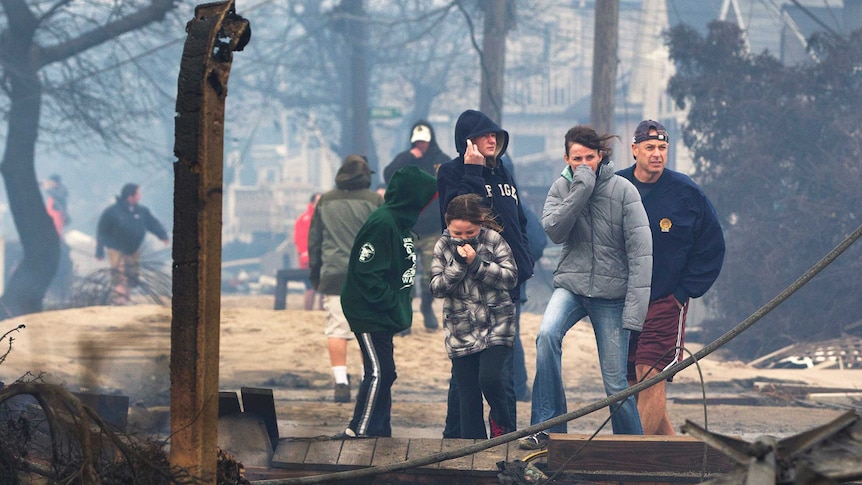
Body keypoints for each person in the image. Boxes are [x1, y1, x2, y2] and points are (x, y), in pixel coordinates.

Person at [519, 125, 652, 450]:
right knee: (546, 336)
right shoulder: (562, 187)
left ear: (600, 156)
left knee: (614, 380)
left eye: (589, 158)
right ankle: (548, 428)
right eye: (576, 158)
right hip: (572, 285)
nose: (583, 164)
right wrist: (580, 188)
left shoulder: (624, 190)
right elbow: (554, 231)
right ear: (566, 158)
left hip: (612, 294)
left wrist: (634, 314)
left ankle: (631, 445)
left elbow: (641, 252)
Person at [618, 119, 726, 435]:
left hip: (666, 301)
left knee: (651, 376)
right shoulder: (616, 188)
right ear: (634, 149)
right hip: (622, 303)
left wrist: (683, 292)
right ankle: (672, 464)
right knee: (630, 383)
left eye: (662, 148)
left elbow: (712, 246)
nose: (657, 154)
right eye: (650, 147)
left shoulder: (687, 193)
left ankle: (627, 467)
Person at [436, 109, 534, 437]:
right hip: (466, 286)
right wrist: (473, 171)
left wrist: (524, 262)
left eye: (496, 135)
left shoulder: (504, 170)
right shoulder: (451, 171)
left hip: (504, 283)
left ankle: (504, 434)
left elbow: (517, 219)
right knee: (465, 369)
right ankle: (458, 438)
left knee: (497, 370)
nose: (493, 139)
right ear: (467, 142)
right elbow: (457, 216)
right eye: (484, 135)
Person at [332, 165, 437, 438]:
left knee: (385, 372)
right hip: (368, 310)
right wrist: (392, 302)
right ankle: (359, 430)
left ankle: (380, 430)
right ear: (411, 197)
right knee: (380, 372)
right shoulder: (383, 223)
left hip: (384, 313)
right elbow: (366, 273)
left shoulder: (401, 223)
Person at [430, 194, 518, 439]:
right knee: (467, 395)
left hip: (497, 324)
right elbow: (436, 287)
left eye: (470, 232)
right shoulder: (442, 246)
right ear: (448, 224)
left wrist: (477, 263)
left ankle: (502, 420)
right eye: (457, 232)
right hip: (460, 328)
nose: (464, 238)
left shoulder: (494, 240)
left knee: (489, 379)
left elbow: (511, 278)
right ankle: (473, 447)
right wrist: (458, 265)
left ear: (480, 224)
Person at [309, 155, 383, 403]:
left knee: (337, 330)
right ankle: (367, 379)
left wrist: (316, 274)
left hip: (334, 274)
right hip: (368, 276)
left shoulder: (325, 201)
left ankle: (340, 383)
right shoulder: (375, 201)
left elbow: (315, 241)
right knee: (368, 330)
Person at [383, 120, 450, 332]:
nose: (421, 145)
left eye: (424, 142)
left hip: (432, 229)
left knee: (431, 275)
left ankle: (427, 308)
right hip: (408, 228)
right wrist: (408, 157)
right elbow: (388, 175)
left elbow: (454, 183)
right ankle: (405, 315)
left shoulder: (441, 160)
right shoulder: (405, 159)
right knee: (405, 275)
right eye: (417, 142)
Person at [95, 183, 170, 305]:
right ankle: (120, 300)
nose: (140, 196)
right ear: (130, 196)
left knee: (131, 276)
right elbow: (102, 231)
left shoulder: (142, 211)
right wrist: (99, 250)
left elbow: (152, 223)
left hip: (133, 249)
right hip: (115, 248)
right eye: (138, 193)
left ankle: (126, 299)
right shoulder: (112, 211)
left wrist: (162, 235)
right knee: (119, 275)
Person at [294, 192, 323, 311]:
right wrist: (305, 257)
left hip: (325, 260)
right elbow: (299, 239)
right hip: (308, 262)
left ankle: (323, 312)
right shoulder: (303, 219)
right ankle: (308, 313)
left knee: (324, 290)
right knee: (310, 288)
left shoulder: (328, 218)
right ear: (312, 203)